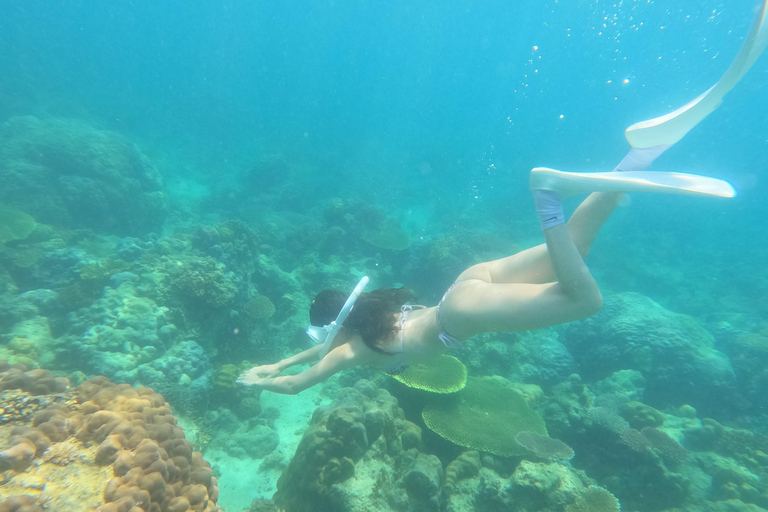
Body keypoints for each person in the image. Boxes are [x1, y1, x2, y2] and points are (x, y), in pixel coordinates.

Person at [237, 1, 767, 394]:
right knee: (577, 246)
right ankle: (640, 158)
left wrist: (257, 381)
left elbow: (301, 382)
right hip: (464, 285)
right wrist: (272, 363)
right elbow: (317, 351)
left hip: (461, 314)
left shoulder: (354, 349)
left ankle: (548, 198)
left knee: (586, 300)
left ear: (342, 324)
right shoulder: (367, 325)